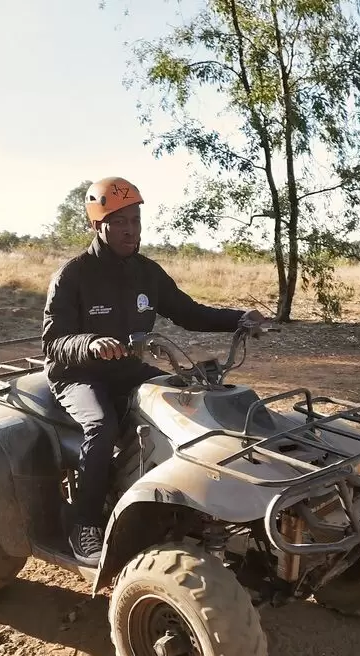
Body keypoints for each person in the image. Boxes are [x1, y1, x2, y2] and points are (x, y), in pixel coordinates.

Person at [42, 176, 264, 566]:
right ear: (99, 225)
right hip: (76, 374)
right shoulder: (73, 275)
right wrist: (91, 344)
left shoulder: (147, 272)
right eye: (121, 221)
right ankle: (86, 524)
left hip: (125, 368)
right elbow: (54, 342)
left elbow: (189, 312)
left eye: (136, 220)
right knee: (101, 426)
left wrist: (238, 319)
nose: (131, 230)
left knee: (188, 404)